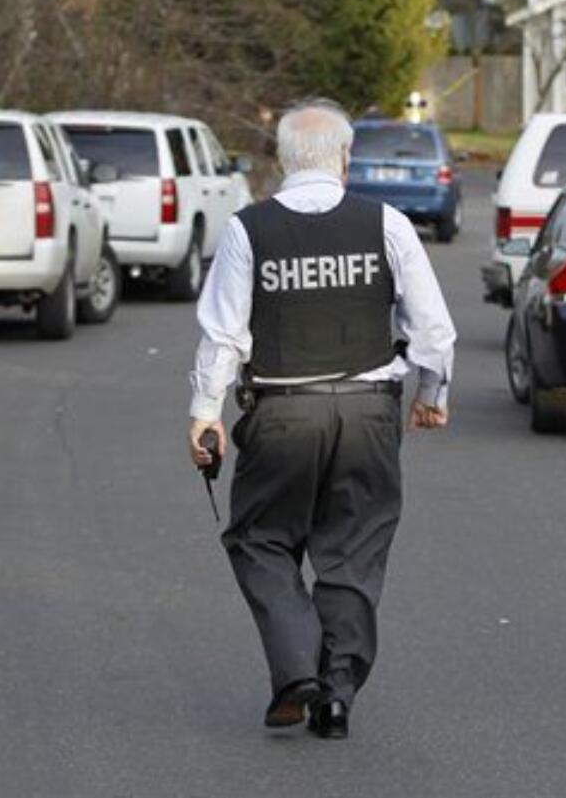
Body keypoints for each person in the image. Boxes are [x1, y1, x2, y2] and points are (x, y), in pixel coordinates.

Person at [188, 99, 456, 739]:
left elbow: (222, 334)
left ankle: (295, 667)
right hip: (368, 412)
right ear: (345, 157)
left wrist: (205, 412)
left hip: (281, 412)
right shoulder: (387, 224)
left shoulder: (249, 230)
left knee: (261, 539)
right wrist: (433, 392)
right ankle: (336, 697)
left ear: (282, 161)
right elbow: (433, 328)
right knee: (352, 552)